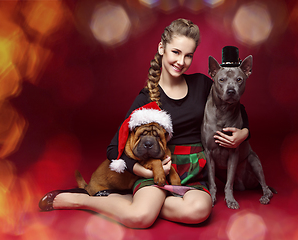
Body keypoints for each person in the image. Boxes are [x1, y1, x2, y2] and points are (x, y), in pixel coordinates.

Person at [39, 18, 250, 228]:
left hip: (194, 170)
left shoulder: (203, 84)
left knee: (199, 212)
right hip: (155, 168)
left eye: (188, 55)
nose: (181, 61)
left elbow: (236, 108)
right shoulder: (147, 97)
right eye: (176, 52)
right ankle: (83, 199)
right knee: (140, 218)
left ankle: (130, 201)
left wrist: (244, 133)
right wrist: (143, 172)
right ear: (162, 48)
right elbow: (114, 150)